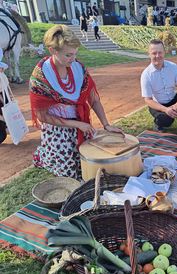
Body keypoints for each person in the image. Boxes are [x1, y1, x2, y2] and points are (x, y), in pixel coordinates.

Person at [29, 25, 124, 179]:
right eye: (68, 55)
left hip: (81, 122)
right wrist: (78, 125)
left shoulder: (78, 67)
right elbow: (43, 116)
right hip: (57, 128)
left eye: (75, 54)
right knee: (71, 174)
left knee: (93, 165)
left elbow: (93, 98)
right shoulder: (40, 76)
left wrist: (106, 124)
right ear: (53, 51)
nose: (73, 59)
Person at [141, 39, 177, 134]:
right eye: (154, 53)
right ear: (149, 54)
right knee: (167, 120)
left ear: (164, 52)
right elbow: (148, 100)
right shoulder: (146, 74)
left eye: (160, 52)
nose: (157, 56)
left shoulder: (173, 67)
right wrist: (166, 110)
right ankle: (159, 124)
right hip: (157, 104)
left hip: (173, 99)